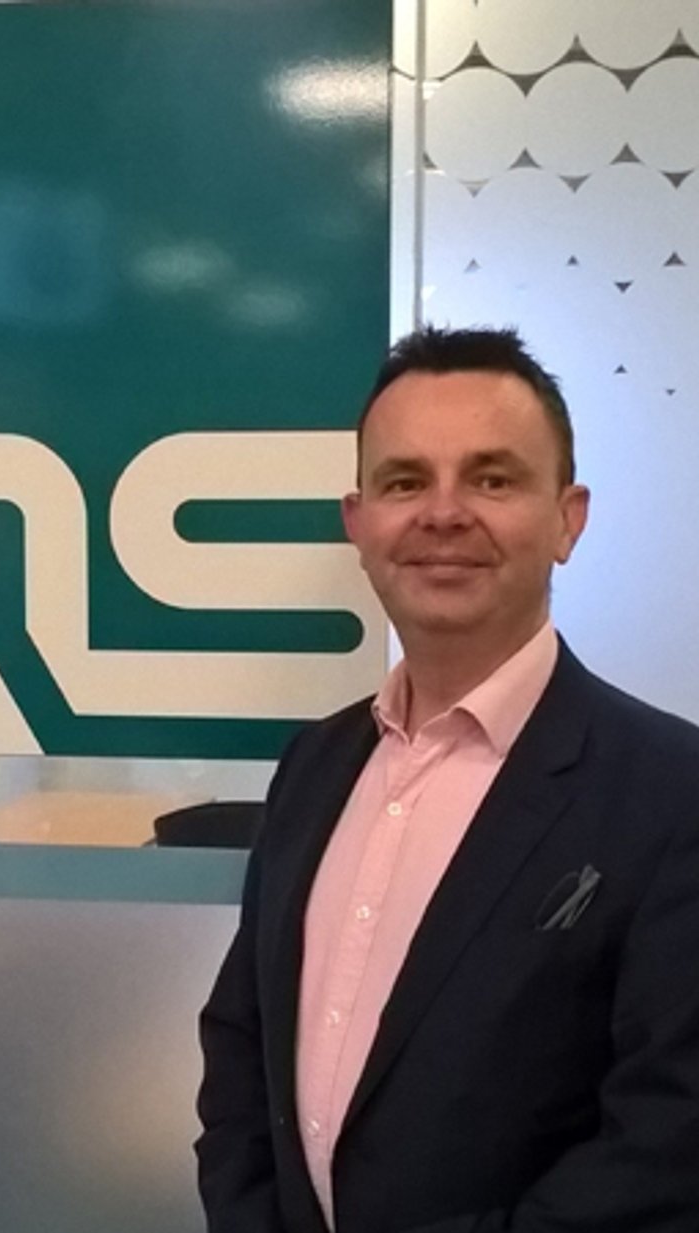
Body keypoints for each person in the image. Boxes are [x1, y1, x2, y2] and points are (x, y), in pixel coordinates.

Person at [195, 325, 699, 1233]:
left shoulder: (672, 794)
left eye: (492, 479)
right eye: (404, 482)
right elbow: (242, 1049)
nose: (443, 512)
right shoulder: (314, 765)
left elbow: (666, 1152)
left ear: (568, 518)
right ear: (359, 524)